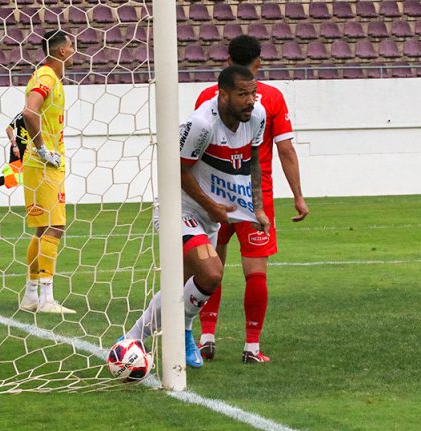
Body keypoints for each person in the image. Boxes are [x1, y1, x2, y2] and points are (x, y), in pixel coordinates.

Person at [123, 65, 269, 368]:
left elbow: (253, 160)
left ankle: (152, 335)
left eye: (253, 93)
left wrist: (256, 207)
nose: (250, 101)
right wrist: (212, 206)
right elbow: (177, 170)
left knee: (184, 284)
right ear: (223, 95)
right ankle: (159, 333)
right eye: (242, 94)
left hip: (209, 216)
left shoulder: (257, 116)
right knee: (212, 273)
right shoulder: (201, 124)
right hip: (179, 209)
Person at [194, 35, 309, 363]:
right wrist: (298, 196)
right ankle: (252, 347)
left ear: (227, 61)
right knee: (255, 271)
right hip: (253, 198)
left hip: (215, 196)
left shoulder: (208, 95)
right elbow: (285, 150)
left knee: (210, 266)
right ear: (259, 62)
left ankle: (206, 337)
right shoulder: (271, 98)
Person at [18, 30, 77, 313]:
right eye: (71, 46)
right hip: (43, 164)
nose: (74, 50)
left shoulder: (50, 77)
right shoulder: (46, 77)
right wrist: (42, 149)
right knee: (55, 226)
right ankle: (46, 299)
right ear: (62, 51)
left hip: (43, 164)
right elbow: (29, 112)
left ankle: (31, 296)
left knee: (43, 228)